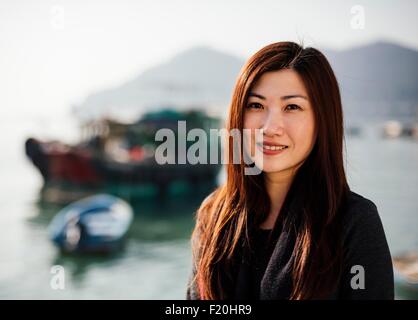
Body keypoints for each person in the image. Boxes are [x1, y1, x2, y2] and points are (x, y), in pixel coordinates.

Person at [186, 41, 394, 300]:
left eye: (292, 107)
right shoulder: (214, 215)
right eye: (256, 105)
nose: (271, 127)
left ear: (323, 120)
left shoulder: (354, 222)